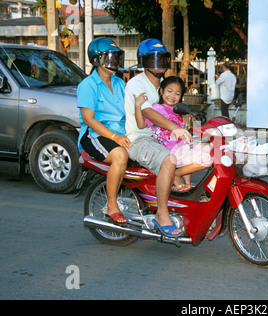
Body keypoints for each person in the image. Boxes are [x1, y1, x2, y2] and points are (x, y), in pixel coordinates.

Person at [124, 39, 191, 238]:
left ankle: (182, 198)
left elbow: (175, 106)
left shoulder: (163, 85)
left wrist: (184, 119)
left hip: (160, 137)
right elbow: (149, 114)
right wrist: (174, 128)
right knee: (169, 159)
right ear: (143, 62)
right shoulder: (137, 83)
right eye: (154, 59)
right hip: (141, 138)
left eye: (162, 59)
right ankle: (162, 215)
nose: (159, 63)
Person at [77, 37, 130, 224]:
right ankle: (112, 205)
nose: (113, 62)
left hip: (121, 132)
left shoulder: (120, 83)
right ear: (95, 60)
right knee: (120, 156)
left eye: (116, 58)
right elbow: (88, 119)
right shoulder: (87, 85)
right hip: (95, 135)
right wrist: (116, 137)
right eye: (109, 58)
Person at [134, 76, 212, 192]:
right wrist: (137, 105)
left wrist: (188, 183)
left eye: (177, 94)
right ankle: (175, 174)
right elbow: (141, 125)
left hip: (184, 146)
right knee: (207, 159)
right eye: (169, 91)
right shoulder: (156, 109)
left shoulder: (178, 110)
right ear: (162, 91)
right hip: (171, 149)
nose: (172, 96)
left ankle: (187, 183)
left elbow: (187, 128)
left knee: (212, 150)